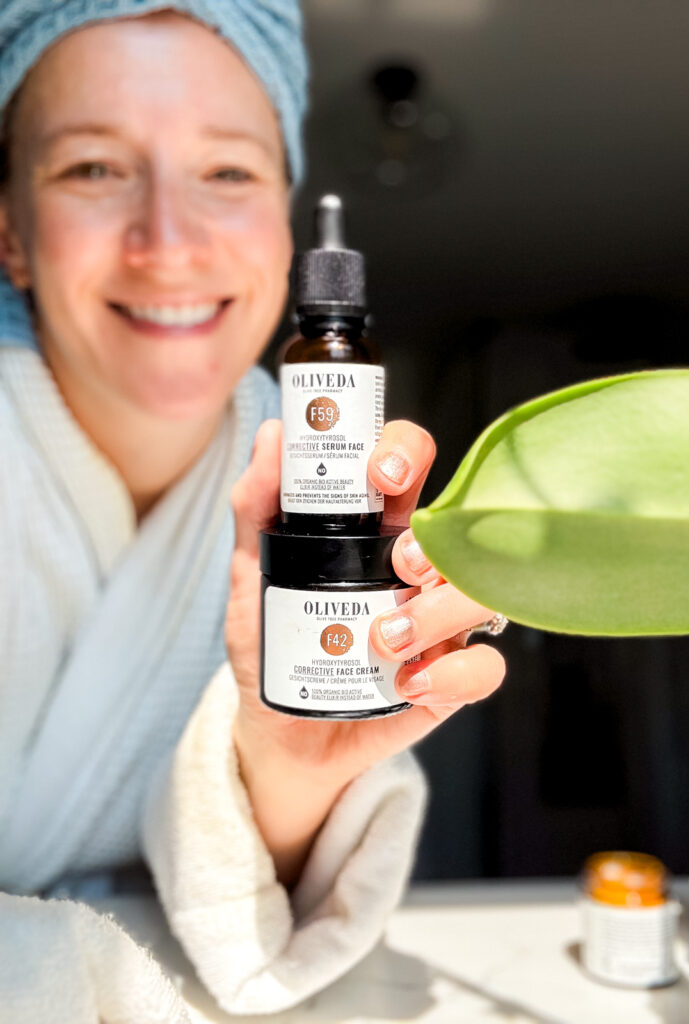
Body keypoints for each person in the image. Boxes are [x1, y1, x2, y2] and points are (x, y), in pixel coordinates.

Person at [0, 3, 506, 1019]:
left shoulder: (328, 473)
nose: (167, 242)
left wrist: (283, 767)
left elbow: (257, 918)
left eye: (227, 172)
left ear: (283, 226)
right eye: (93, 167)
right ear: (11, 233)